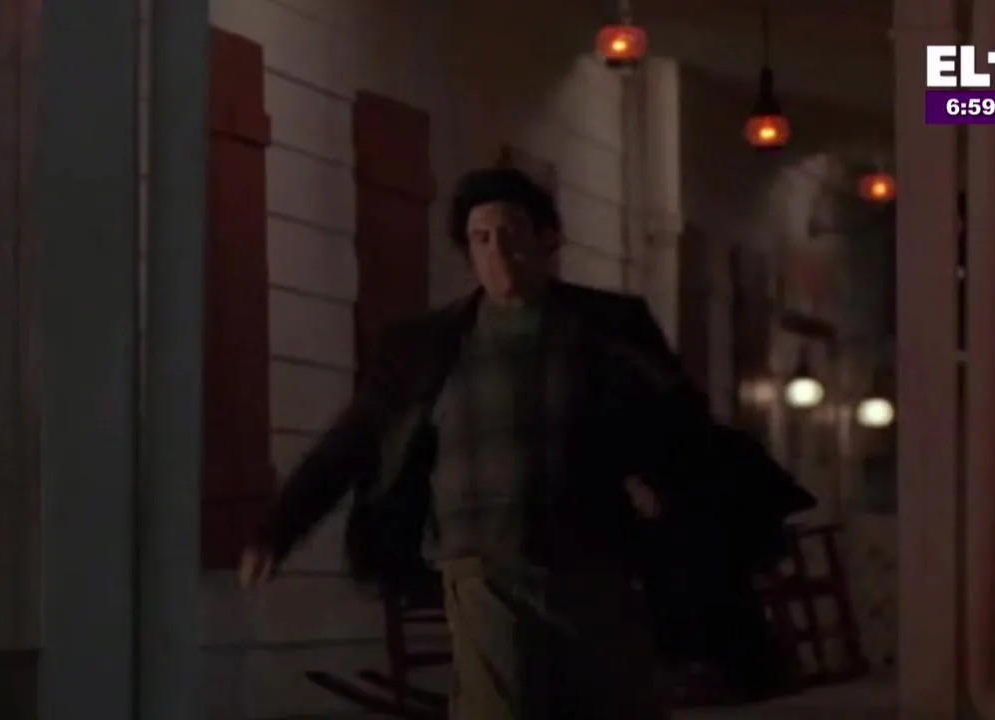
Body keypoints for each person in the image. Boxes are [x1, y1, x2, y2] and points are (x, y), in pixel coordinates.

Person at [239, 167, 812, 719]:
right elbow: (353, 438)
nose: (498, 251)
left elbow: (681, 423)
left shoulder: (608, 325)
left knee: (615, 705)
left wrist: (669, 492)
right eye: (481, 239)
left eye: (511, 233)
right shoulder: (425, 346)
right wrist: (279, 528)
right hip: (483, 565)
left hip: (595, 562)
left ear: (547, 239)